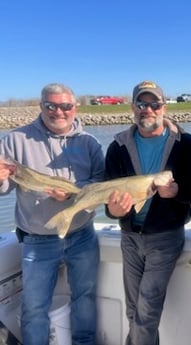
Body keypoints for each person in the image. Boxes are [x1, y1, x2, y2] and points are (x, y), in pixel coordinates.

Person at [0, 83, 105, 345]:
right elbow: (4, 187)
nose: (59, 111)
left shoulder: (89, 142)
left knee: (85, 297)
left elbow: (100, 180)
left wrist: (73, 192)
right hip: (37, 239)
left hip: (82, 235)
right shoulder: (15, 140)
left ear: (75, 108)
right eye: (51, 105)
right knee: (34, 308)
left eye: (65, 106)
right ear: (41, 106)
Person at [104, 80, 191, 345]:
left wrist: (177, 192)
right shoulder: (117, 147)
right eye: (142, 104)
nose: (148, 110)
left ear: (163, 107)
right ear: (133, 107)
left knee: (146, 312)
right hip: (129, 238)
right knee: (133, 311)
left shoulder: (185, 144)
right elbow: (109, 204)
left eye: (154, 104)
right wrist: (113, 211)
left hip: (165, 239)